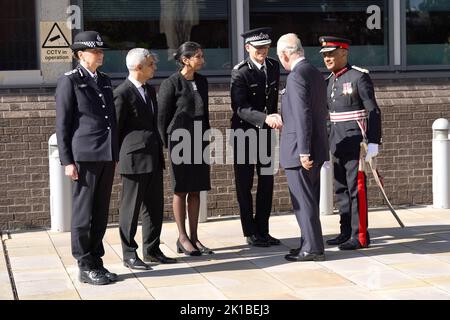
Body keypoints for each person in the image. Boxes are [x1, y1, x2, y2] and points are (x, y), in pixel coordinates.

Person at [55, 31, 119, 285]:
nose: (100, 55)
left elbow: (111, 119)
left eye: (102, 51)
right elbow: (63, 125)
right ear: (81, 55)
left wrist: (114, 152)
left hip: (105, 155)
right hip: (84, 155)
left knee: (100, 212)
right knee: (83, 214)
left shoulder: (104, 80)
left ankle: (97, 261)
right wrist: (67, 161)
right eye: (96, 51)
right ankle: (84, 264)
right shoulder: (69, 81)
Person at [114, 48, 177, 270]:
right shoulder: (122, 93)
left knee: (154, 207)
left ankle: (151, 250)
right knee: (130, 209)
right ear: (138, 67)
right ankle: (129, 254)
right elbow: (117, 129)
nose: (155, 67)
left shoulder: (150, 90)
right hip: (133, 159)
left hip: (152, 156)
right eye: (151, 64)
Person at [319, 36, 382, 250]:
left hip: (357, 142)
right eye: (325, 55)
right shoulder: (328, 82)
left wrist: (373, 143)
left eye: (331, 53)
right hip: (337, 142)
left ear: (344, 53)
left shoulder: (359, 77)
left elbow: (372, 110)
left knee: (357, 189)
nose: (327, 58)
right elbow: (327, 117)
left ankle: (360, 236)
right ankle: (345, 232)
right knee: (341, 189)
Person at [276, 34, 329, 262]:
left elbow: (302, 114)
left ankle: (313, 248)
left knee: (304, 201)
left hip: (301, 150)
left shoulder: (296, 76)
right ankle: (307, 242)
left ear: (285, 54)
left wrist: (303, 150)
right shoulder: (313, 72)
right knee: (310, 200)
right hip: (315, 146)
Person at [158, 41, 213, 256]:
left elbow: (205, 111)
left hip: (200, 139)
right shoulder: (171, 84)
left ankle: (194, 237)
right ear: (185, 59)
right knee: (181, 189)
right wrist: (166, 144)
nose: (202, 60)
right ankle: (182, 237)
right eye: (198, 56)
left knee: (196, 188)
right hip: (179, 141)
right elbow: (162, 118)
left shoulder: (203, 81)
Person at [230, 27, 282, 247]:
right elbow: (239, 107)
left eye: (266, 47)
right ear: (247, 48)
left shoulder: (273, 66)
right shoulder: (240, 72)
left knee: (267, 182)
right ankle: (250, 231)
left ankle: (263, 229)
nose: (262, 51)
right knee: (245, 183)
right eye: (258, 47)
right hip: (244, 133)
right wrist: (265, 118)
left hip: (267, 135)